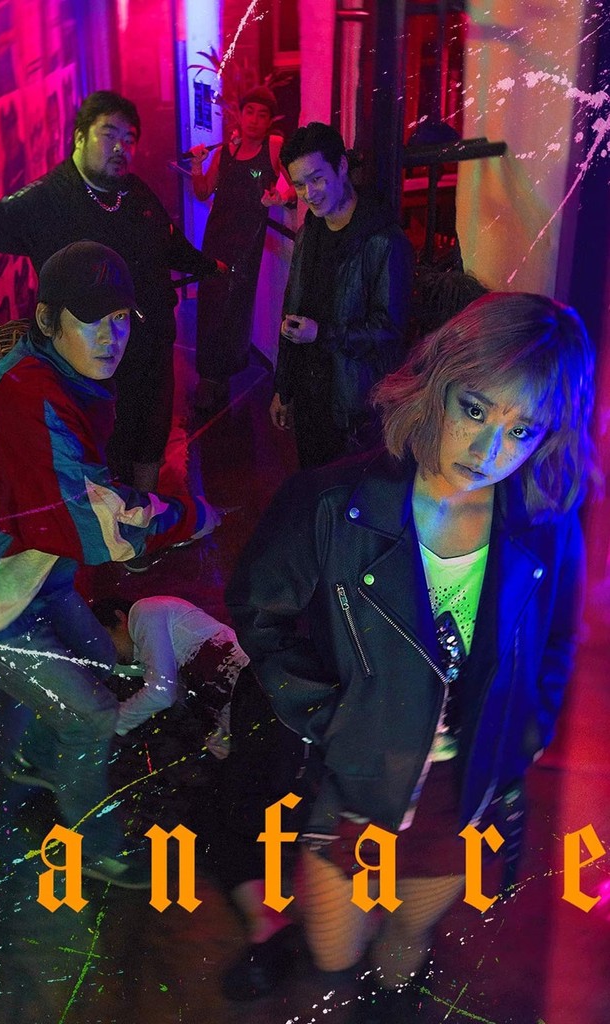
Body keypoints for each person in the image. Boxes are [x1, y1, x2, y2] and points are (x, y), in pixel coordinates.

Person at [227, 292, 595, 1020]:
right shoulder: (333, 503)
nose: (489, 452)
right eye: (475, 410)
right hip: (353, 783)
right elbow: (260, 613)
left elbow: (556, 642)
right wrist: (332, 718)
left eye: (523, 430)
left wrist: (525, 733)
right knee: (334, 950)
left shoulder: (547, 524)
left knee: (405, 943)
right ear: (438, 385)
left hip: (461, 793)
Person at [0, 241, 219, 889]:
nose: (111, 337)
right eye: (90, 319)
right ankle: (92, 845)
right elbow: (104, 527)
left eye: (121, 318)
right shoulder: (29, 398)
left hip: (21, 566)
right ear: (47, 320)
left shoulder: (58, 378)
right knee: (93, 712)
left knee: (95, 658)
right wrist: (191, 516)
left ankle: (41, 759)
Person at [0, 90, 226, 492]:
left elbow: (170, 244)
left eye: (129, 139)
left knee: (151, 438)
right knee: (101, 451)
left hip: (152, 346)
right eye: (109, 134)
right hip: (92, 360)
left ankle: (143, 515)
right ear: (79, 137)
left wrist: (208, 266)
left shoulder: (136, 193)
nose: (121, 147)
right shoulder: (48, 200)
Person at [270, 122, 414, 469]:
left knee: (348, 491)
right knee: (313, 485)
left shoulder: (384, 240)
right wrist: (283, 388)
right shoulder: (309, 233)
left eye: (317, 178)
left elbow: (390, 332)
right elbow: (293, 309)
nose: (309, 193)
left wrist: (322, 334)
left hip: (355, 407)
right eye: (299, 185)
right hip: (309, 399)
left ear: (342, 166)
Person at [188, 86, 294, 415]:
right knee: (210, 303)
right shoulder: (225, 151)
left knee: (234, 307)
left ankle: (220, 376)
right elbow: (203, 192)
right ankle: (209, 376)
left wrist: (281, 196)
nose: (254, 120)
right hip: (216, 237)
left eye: (262, 115)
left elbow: (295, 181)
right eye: (250, 112)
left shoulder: (273, 147)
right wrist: (197, 165)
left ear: (269, 121)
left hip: (247, 243)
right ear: (241, 114)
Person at [92, 594, 248, 757]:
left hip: (248, 683)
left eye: (105, 639)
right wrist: (223, 729)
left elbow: (161, 692)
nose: (106, 652)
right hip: (243, 698)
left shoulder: (144, 610)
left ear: (119, 616)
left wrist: (110, 725)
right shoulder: (152, 654)